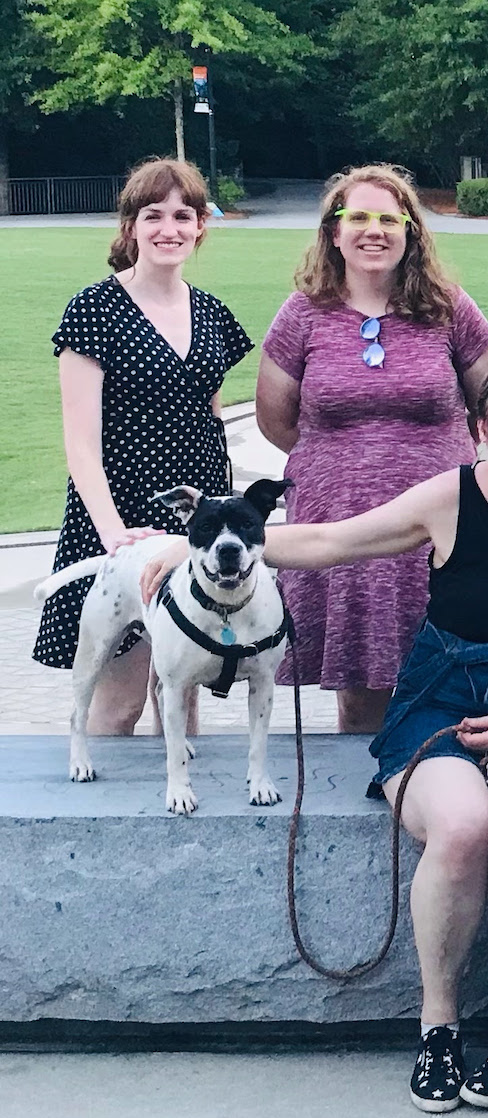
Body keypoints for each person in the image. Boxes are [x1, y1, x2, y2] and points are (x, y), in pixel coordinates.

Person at [142, 356, 488, 1111]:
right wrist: (206, 547)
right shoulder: (449, 496)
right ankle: (439, 1024)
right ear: (479, 430)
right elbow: (336, 542)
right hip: (442, 694)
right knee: (463, 826)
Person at [257, 163, 488, 734]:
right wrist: (348, 461)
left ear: (411, 231)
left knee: (449, 674)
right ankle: (368, 810)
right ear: (333, 232)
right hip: (338, 525)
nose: (375, 230)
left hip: (438, 525)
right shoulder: (302, 313)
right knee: (360, 682)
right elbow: (276, 421)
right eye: (358, 216)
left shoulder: (448, 306)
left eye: (390, 219)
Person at [33, 157, 252, 736]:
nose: (168, 228)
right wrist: (113, 534)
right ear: (130, 225)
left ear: (202, 225)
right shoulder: (94, 310)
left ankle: (179, 818)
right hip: (120, 522)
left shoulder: (212, 313)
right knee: (121, 701)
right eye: (153, 215)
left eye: (184, 215)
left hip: (193, 527)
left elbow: (212, 422)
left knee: (181, 695)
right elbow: (79, 441)